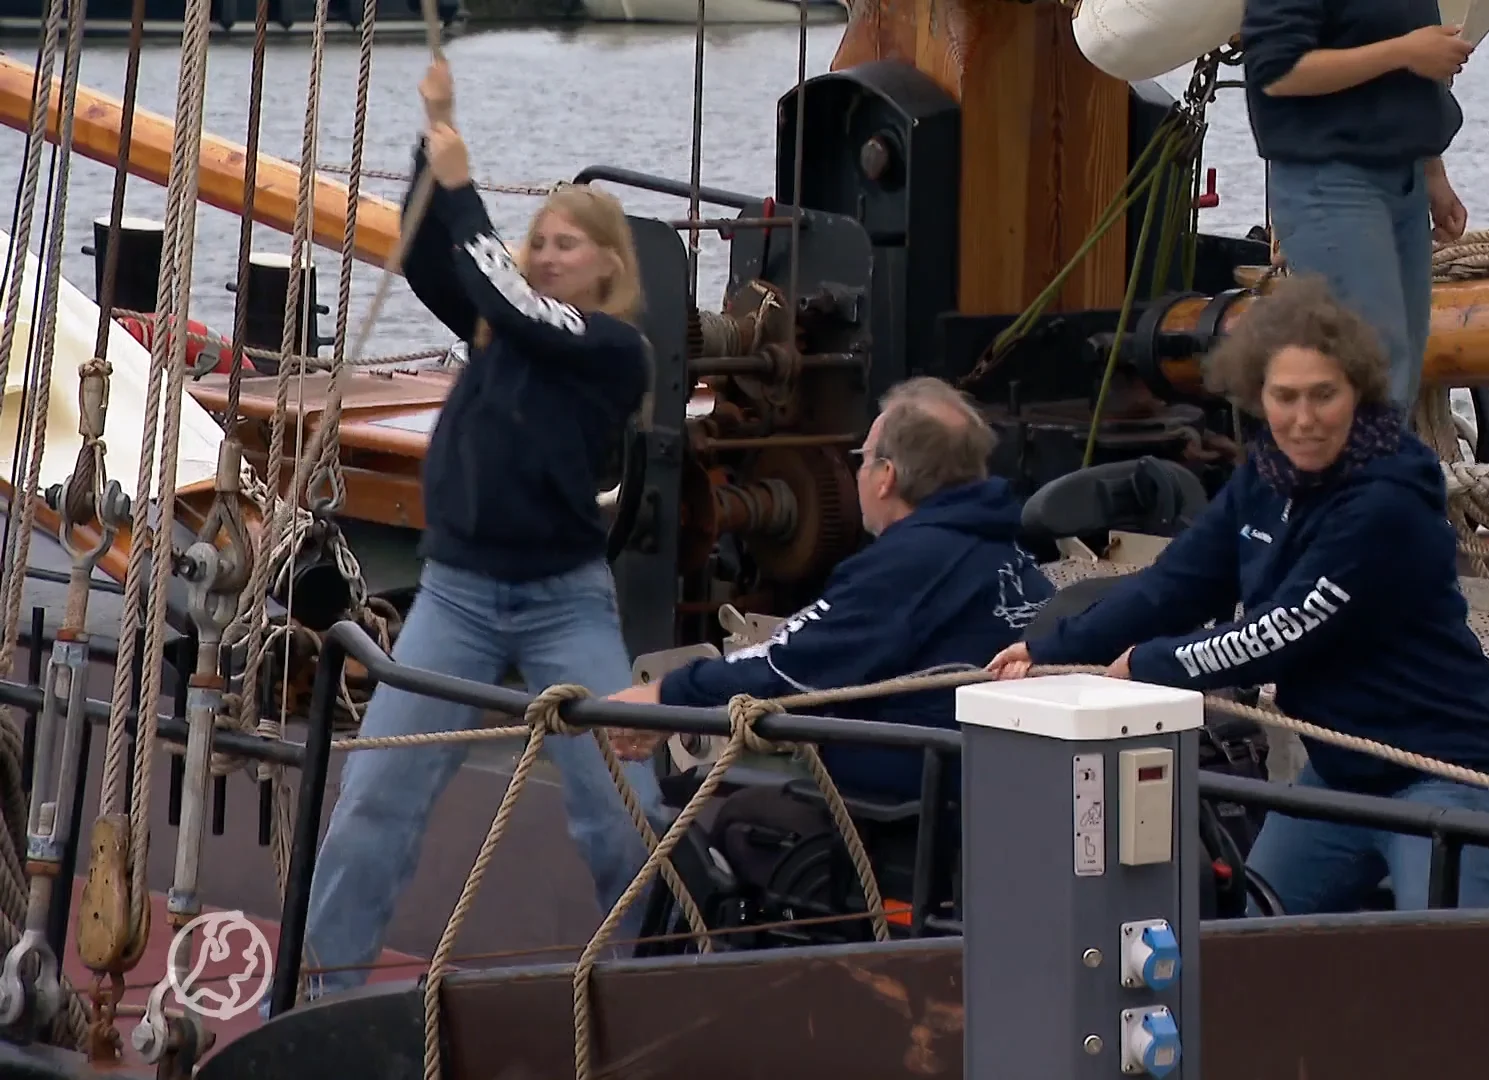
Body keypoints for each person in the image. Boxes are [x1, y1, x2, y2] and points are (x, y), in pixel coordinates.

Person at [300, 58, 663, 997]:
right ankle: (325, 1000)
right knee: (378, 801)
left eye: (567, 244)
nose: (544, 254)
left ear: (610, 269)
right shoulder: (501, 325)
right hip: (456, 596)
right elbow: (436, 255)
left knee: (620, 812)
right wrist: (433, 151)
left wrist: (466, 191)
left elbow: (515, 299)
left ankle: (660, 981)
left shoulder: (613, 350)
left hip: (563, 605)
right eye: (536, 240)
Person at [987, 277, 1489, 914]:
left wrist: (1152, 667)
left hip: (1442, 773)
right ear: (1257, 397)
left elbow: (1281, 630)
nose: (1303, 418)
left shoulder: (1385, 503)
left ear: (1359, 394)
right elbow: (1174, 586)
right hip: (1340, 775)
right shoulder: (1263, 478)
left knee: (1456, 965)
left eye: (1324, 395)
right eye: (1284, 396)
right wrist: (1046, 649)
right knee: (1246, 937)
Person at [609, 377, 1056, 802]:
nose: (858, 471)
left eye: (862, 458)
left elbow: (785, 669)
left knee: (684, 815)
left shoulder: (904, 565)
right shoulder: (1005, 542)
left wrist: (665, 697)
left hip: (912, 801)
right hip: (995, 783)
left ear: (886, 476)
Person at [1239, 0, 1473, 410]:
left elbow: (1412, 67)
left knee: (1398, 371)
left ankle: (1375, 473)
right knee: (1367, 372)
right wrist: (1405, 51)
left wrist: (1433, 173)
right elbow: (1277, 71)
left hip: (1403, 181)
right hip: (1329, 185)